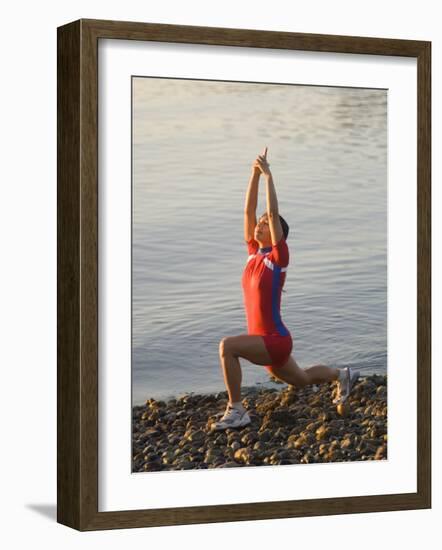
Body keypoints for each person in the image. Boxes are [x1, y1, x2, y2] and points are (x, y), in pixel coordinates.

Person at [213, 147, 360, 431]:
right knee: (303, 379)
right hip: (267, 343)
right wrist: (253, 175)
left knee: (227, 347)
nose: (259, 225)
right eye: (259, 223)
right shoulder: (253, 254)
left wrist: (269, 176)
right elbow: (249, 210)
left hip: (275, 340)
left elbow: (272, 210)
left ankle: (237, 410)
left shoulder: (277, 260)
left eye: (265, 224)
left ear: (278, 234)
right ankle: (343, 375)